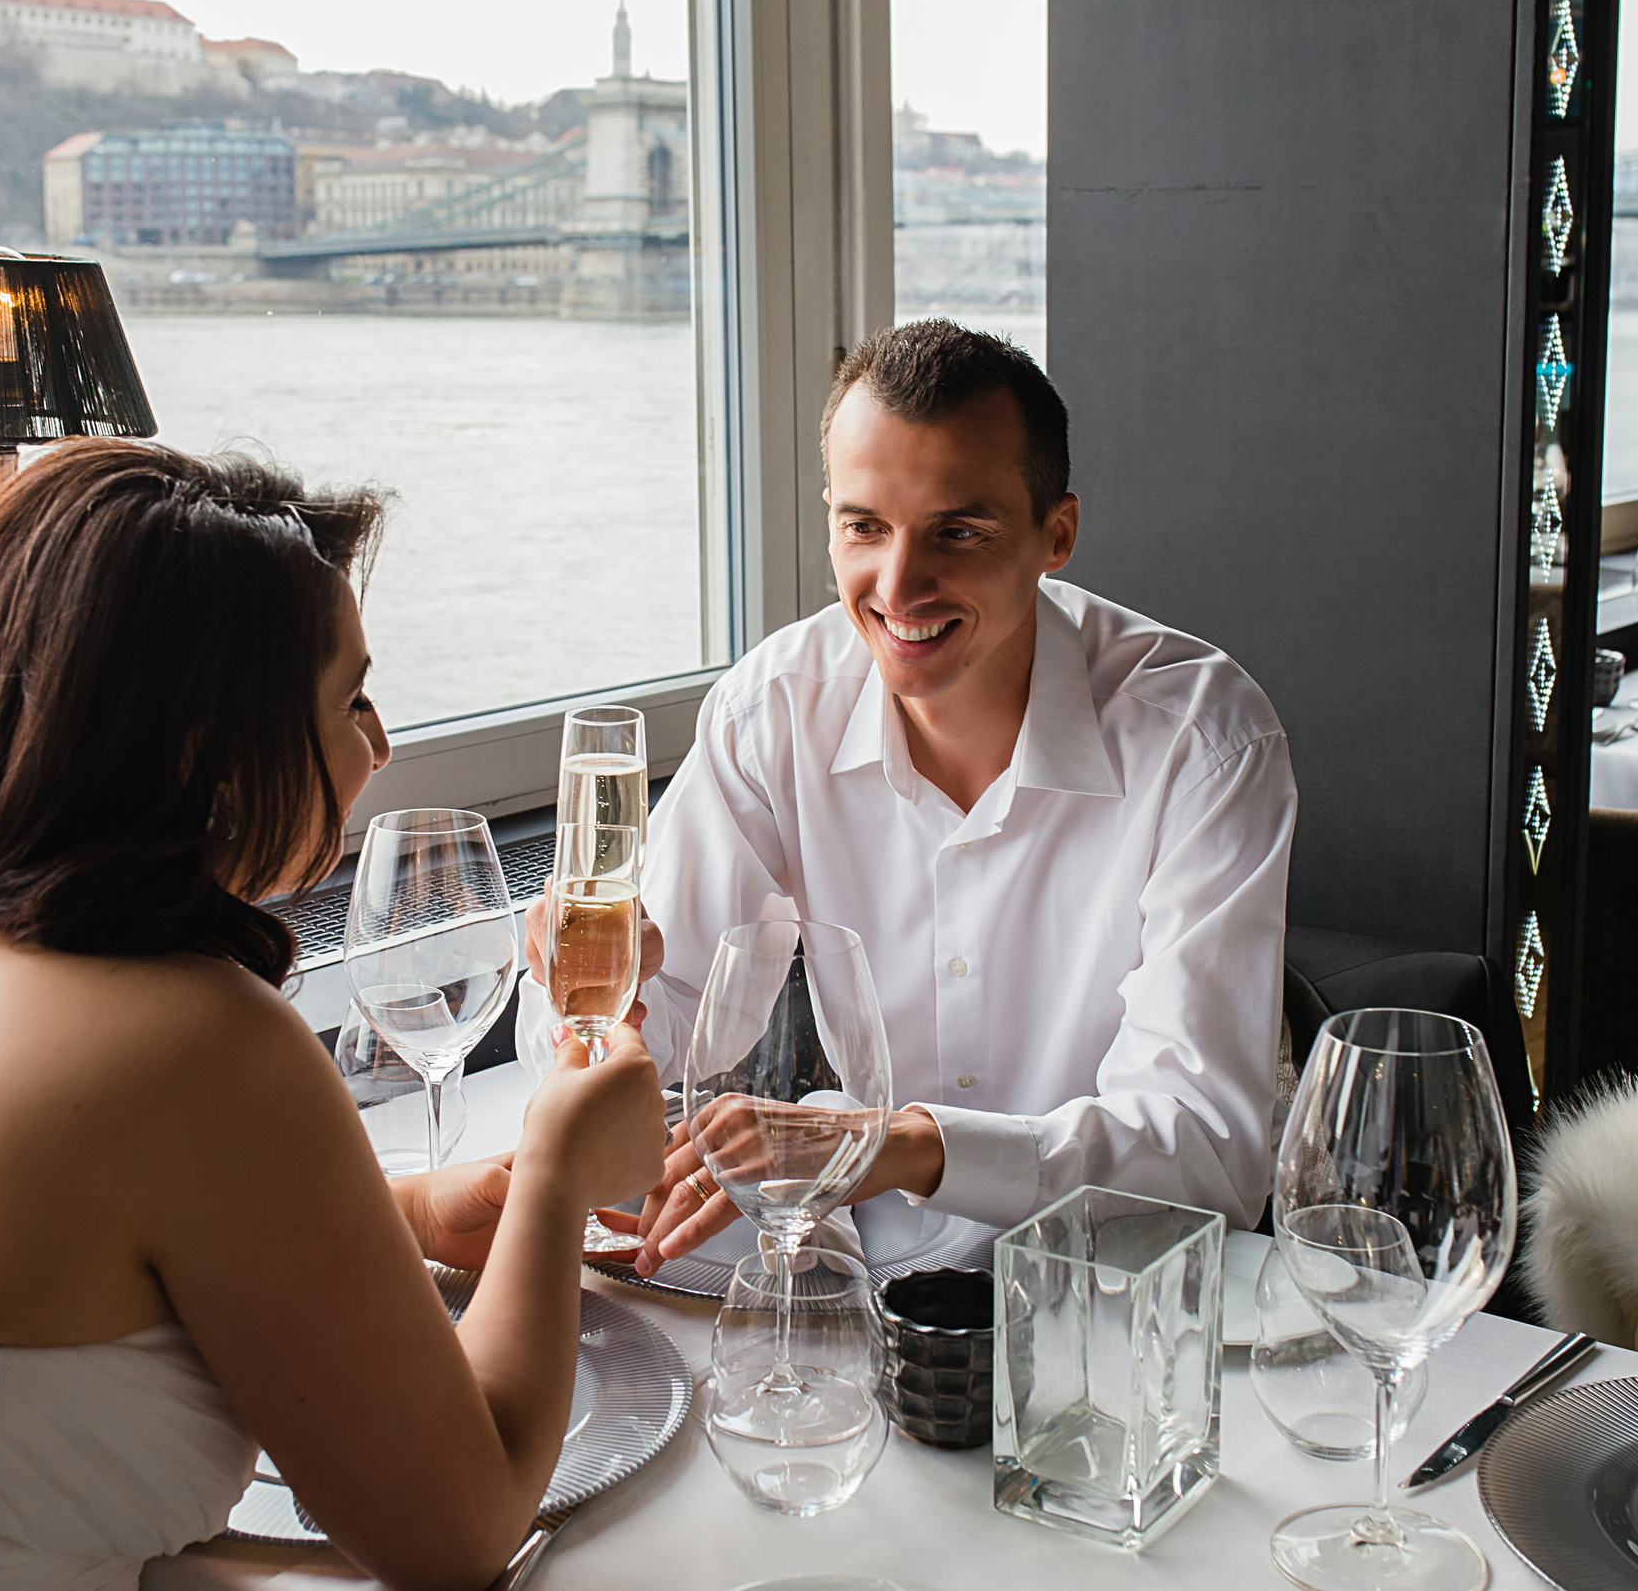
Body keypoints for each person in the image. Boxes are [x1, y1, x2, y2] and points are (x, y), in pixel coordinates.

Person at [0, 442, 668, 1591]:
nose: (381, 745)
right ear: (205, 751)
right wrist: (559, 1174)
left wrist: (403, 1211)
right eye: (349, 696)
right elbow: (459, 1537)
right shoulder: (200, 1039)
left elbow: (72, 1251)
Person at [543, 319, 1296, 1273]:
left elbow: (1210, 1154)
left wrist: (900, 1143)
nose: (898, 586)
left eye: (959, 531)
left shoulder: (1204, 738)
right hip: (860, 1295)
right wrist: (603, 1022)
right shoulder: (771, 712)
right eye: (865, 526)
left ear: (1055, 533)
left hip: (1114, 1300)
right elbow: (637, 1083)